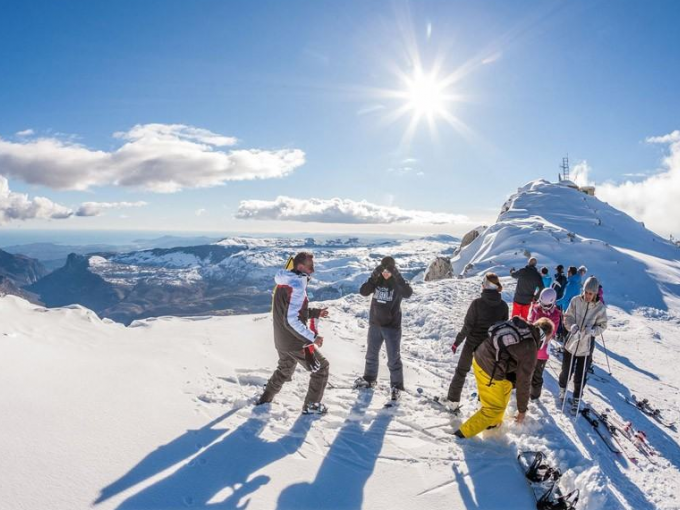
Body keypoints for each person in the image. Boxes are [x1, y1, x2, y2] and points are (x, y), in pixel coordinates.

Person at [453, 317, 555, 438]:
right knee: (494, 408)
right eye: (549, 339)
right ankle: (462, 434)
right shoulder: (530, 347)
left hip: (482, 356)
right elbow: (524, 382)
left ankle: (492, 423)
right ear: (545, 336)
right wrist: (522, 410)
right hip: (488, 369)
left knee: (506, 385)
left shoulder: (523, 326)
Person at [258, 252, 331, 414]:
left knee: (285, 369)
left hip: (281, 339)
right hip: (294, 342)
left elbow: (293, 312)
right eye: (311, 266)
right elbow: (291, 320)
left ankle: (265, 398)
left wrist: (316, 313)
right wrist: (313, 337)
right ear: (300, 267)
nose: (313, 270)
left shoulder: (285, 282)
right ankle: (311, 406)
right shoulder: (296, 286)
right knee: (321, 368)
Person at [444, 273, 509, 412]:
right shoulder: (503, 306)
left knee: (461, 371)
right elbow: (502, 329)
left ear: (485, 285)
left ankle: (453, 401)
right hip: (490, 347)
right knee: (487, 376)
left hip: (472, 343)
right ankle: (483, 405)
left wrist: (457, 342)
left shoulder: (477, 303)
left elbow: (467, 326)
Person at [354, 256, 413, 400]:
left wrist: (398, 276)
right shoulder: (377, 281)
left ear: (393, 271)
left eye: (388, 271)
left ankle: (397, 387)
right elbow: (363, 292)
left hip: (392, 327)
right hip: (375, 325)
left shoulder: (397, 283)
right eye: (383, 271)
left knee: (393, 358)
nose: (386, 274)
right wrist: (373, 277)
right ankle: (369, 379)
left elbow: (408, 293)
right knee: (371, 355)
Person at [558, 276, 608, 414]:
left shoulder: (600, 308)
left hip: (586, 346)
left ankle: (576, 398)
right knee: (566, 370)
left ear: (596, 293)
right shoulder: (575, 300)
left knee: (580, 375)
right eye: (586, 292)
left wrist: (592, 331)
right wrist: (572, 326)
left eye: (590, 293)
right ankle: (562, 389)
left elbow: (603, 325)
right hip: (571, 342)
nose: (587, 295)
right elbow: (567, 316)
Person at [527, 288, 561, 400]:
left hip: (542, 351)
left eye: (547, 306)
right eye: (543, 305)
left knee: (537, 374)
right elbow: (530, 322)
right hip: (530, 348)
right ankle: (524, 390)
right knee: (526, 371)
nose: (544, 308)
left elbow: (552, 332)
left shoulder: (556, 314)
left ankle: (534, 396)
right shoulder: (536, 308)